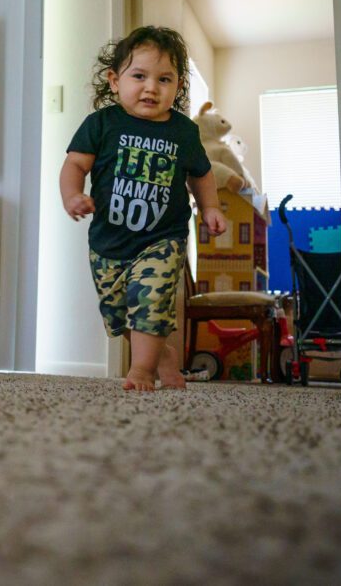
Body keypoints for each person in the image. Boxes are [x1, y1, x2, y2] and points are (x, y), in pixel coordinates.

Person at [59, 25, 227, 391]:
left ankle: (141, 371)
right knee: (119, 317)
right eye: (139, 76)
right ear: (115, 80)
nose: (151, 87)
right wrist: (72, 195)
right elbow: (74, 165)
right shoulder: (101, 124)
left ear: (178, 86)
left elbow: (201, 174)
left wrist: (210, 206)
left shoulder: (183, 131)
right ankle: (161, 355)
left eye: (164, 79)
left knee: (149, 301)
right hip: (108, 243)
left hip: (162, 239)